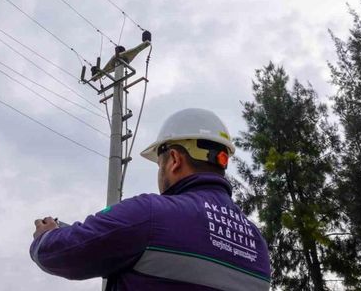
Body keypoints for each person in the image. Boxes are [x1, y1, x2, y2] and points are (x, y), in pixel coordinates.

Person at [30, 108, 271, 290]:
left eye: (159, 163)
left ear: (174, 159)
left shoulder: (151, 215)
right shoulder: (257, 244)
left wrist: (46, 235)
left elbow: (59, 253)